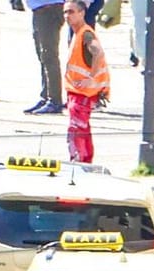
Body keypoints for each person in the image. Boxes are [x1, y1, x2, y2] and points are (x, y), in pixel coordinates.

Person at [63, 0, 109, 163]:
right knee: (83, 129)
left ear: (82, 13)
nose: (67, 16)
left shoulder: (85, 34)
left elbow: (98, 52)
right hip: (78, 93)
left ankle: (79, 161)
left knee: (76, 130)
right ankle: (86, 160)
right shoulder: (78, 33)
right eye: (65, 12)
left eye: (71, 12)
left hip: (82, 94)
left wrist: (91, 78)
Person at [24, 0, 66, 114]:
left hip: (49, 9)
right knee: (43, 56)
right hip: (39, 9)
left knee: (49, 56)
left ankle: (54, 100)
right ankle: (46, 97)